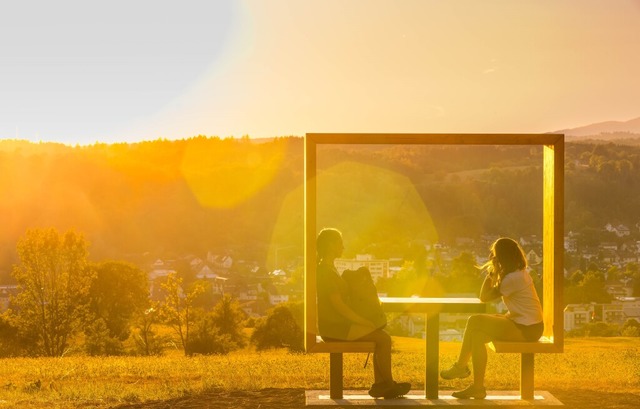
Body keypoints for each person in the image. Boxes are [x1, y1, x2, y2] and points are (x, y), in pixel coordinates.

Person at [440, 237, 544, 399]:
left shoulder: (512, 279)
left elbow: (484, 296)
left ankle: (460, 366)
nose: (492, 258)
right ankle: (478, 387)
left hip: (528, 328)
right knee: (477, 335)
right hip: (525, 323)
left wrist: (491, 272)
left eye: (495, 255)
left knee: (474, 320)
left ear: (502, 257)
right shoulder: (517, 274)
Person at [316, 227, 411, 399]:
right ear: (330, 245)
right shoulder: (325, 271)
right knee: (383, 338)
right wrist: (362, 321)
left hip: (337, 325)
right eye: (340, 243)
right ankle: (387, 385)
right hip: (335, 328)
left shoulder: (329, 268)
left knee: (381, 338)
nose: (343, 247)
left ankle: (381, 385)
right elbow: (338, 306)